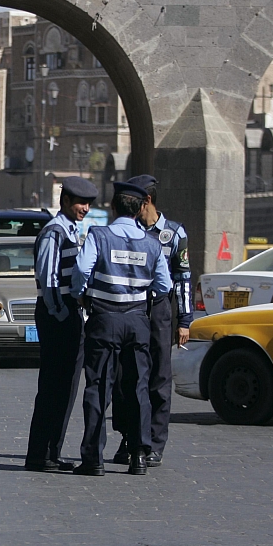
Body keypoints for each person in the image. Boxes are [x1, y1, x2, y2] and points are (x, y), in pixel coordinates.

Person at [71, 181, 172, 476]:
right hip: (138, 321)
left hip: (104, 319)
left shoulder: (99, 236)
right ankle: (139, 455)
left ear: (113, 207)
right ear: (141, 209)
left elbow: (80, 270)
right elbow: (164, 285)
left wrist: (81, 292)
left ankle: (93, 458)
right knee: (139, 387)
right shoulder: (152, 244)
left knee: (98, 388)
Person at [111, 176, 192, 468]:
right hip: (129, 308)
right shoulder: (127, 231)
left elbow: (183, 279)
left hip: (158, 310)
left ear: (145, 200)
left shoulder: (173, 233)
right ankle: (129, 437)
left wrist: (184, 319)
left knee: (158, 378)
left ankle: (154, 442)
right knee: (126, 377)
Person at [24, 177, 99, 473]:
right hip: (59, 316)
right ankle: (40, 454)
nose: (86, 208)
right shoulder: (54, 233)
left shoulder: (71, 231)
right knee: (54, 388)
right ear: (65, 200)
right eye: (81, 202)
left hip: (67, 315)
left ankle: (51, 452)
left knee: (66, 389)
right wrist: (63, 315)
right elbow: (49, 279)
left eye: (89, 203)